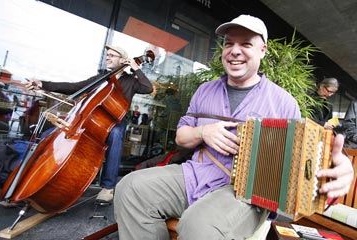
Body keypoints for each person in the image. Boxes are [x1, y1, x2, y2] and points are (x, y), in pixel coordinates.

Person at [113, 15, 354, 239]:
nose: (234, 51)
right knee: (130, 188)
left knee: (199, 225)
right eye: (229, 44)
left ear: (263, 51)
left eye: (246, 44)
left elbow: (306, 155)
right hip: (196, 174)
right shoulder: (204, 90)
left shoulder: (283, 102)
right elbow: (182, 137)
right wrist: (202, 132)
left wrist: (340, 167)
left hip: (248, 194)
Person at [25, 45, 153, 203]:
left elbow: (148, 88)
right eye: (107, 55)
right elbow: (75, 87)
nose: (108, 57)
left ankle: (108, 187)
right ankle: (30, 180)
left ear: (122, 59)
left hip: (115, 121)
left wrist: (135, 68)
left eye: (112, 55)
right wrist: (43, 84)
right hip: (92, 119)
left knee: (116, 134)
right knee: (49, 135)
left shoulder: (131, 81)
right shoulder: (102, 78)